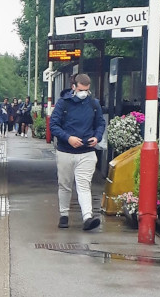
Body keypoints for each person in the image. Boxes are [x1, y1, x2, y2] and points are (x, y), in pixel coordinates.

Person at [49, 74, 105, 231]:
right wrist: (68, 138)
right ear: (74, 87)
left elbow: (100, 123)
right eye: (81, 90)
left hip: (87, 152)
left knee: (83, 184)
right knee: (65, 184)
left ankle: (87, 217)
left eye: (87, 90)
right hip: (65, 151)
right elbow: (53, 125)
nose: (84, 93)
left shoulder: (94, 104)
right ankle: (64, 215)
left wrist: (97, 137)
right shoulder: (63, 104)